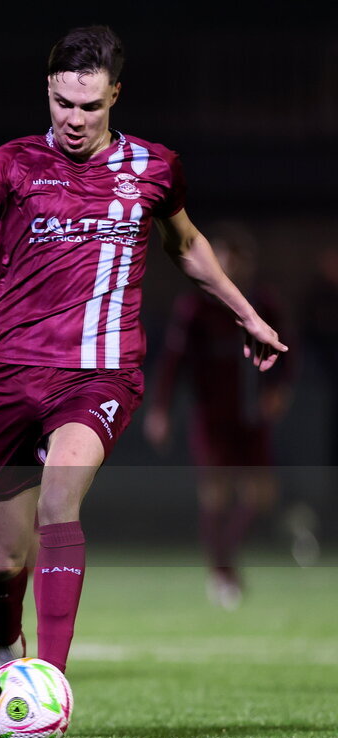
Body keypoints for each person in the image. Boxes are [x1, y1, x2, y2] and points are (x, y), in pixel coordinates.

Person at [0, 26, 287, 689]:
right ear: (47, 94)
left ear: (114, 95)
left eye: (89, 107)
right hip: (12, 378)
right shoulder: (10, 164)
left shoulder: (155, 168)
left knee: (60, 503)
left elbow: (188, 245)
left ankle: (48, 680)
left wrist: (245, 312)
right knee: (1, 559)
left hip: (99, 375)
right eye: (62, 104)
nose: (74, 120)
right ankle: (9, 645)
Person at [144, 223, 292, 608]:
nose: (232, 266)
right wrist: (160, 410)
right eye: (225, 258)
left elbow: (287, 353)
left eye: (239, 260)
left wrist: (278, 390)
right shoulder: (195, 308)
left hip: (252, 418)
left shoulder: (264, 302)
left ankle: (224, 560)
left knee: (263, 496)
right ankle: (222, 573)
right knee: (216, 496)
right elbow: (172, 363)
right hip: (211, 418)